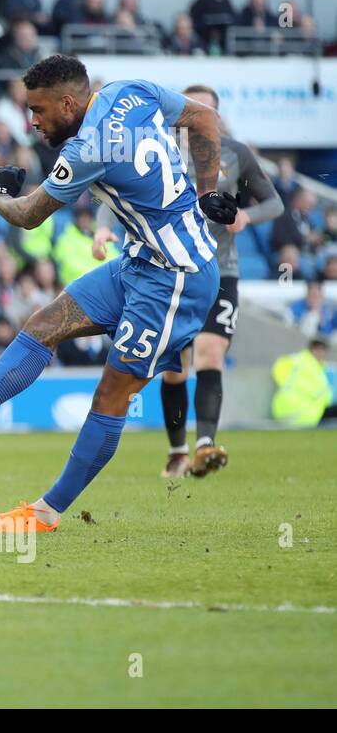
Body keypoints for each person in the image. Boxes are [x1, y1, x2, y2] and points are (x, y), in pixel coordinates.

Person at [0, 55, 239, 533]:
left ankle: (45, 514)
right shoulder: (131, 89)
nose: (33, 121)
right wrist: (207, 191)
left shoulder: (87, 150)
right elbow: (204, 116)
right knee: (43, 325)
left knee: (111, 394)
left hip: (177, 277)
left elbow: (27, 215)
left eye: (40, 111)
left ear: (69, 103)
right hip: (138, 262)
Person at [94, 84, 282, 478]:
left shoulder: (236, 153)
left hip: (221, 269)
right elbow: (116, 190)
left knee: (211, 353)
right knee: (176, 368)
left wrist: (250, 216)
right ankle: (177, 451)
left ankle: (205, 445)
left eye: (208, 112)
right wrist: (101, 228)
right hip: (168, 270)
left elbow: (274, 202)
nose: (201, 120)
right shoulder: (155, 147)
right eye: (195, 112)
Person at [271, 339, 336, 427]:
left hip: (310, 411)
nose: (322, 354)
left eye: (324, 351)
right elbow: (280, 369)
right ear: (313, 349)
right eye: (320, 350)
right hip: (299, 413)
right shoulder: (303, 362)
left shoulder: (316, 366)